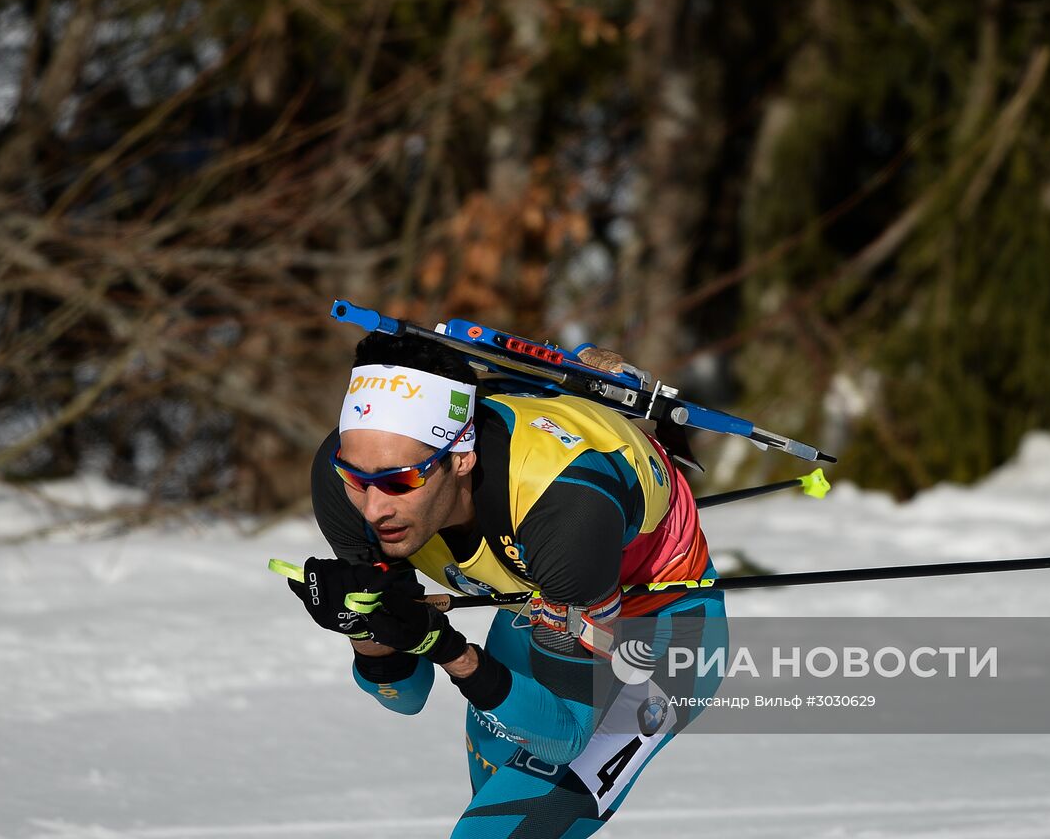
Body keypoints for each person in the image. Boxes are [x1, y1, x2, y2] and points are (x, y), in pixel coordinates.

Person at [287, 331, 726, 838]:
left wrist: (446, 647)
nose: (373, 506)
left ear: (461, 458)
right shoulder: (346, 485)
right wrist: (363, 628)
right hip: (536, 606)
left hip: (657, 633)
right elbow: (404, 697)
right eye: (356, 476)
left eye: (401, 480)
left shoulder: (565, 510)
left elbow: (562, 737)